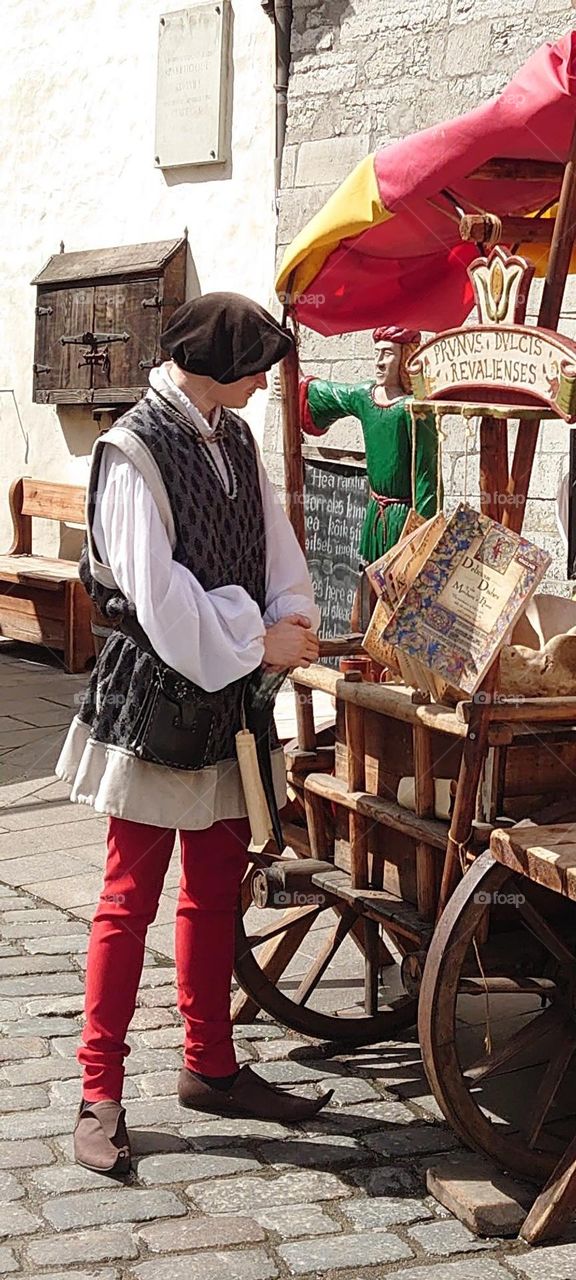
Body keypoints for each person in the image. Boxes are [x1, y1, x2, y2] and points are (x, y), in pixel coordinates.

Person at [56, 293, 332, 1176]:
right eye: (256, 369)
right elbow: (158, 597)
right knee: (127, 899)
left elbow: (273, 542)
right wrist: (258, 640)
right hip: (158, 701)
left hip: (231, 700)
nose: (263, 383)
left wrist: (291, 619)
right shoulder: (134, 450)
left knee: (216, 889)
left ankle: (210, 1065)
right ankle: (98, 1093)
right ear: (217, 368)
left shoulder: (232, 437)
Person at [300, 325, 441, 570]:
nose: (378, 362)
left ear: (406, 358)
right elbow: (330, 395)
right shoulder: (365, 396)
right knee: (368, 578)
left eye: (387, 353)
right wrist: (297, 385)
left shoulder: (416, 409)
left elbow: (427, 474)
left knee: (399, 585)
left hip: (403, 518)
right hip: (376, 513)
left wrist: (423, 533)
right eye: (376, 353)